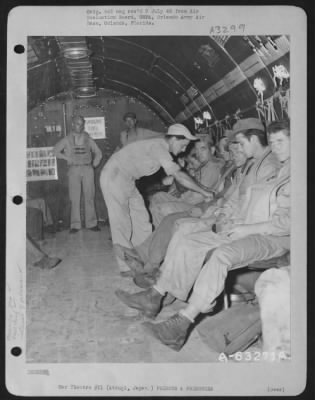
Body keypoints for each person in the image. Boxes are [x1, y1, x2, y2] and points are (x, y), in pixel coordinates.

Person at [115, 120, 290, 351]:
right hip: (245, 226)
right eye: (273, 141)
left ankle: (182, 322)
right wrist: (226, 214)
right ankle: (156, 295)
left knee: (219, 254)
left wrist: (242, 226)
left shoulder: (276, 169)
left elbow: (283, 219)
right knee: (188, 240)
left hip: (268, 235)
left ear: (252, 139)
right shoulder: (259, 166)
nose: (275, 147)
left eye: (281, 142)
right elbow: (240, 198)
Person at [119, 140, 247, 287]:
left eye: (236, 151)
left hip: (211, 210)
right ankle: (143, 257)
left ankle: (149, 264)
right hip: (207, 206)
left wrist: (203, 205)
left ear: (212, 150)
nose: (231, 155)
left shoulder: (218, 168)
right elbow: (218, 195)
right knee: (159, 201)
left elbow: (218, 197)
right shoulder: (229, 169)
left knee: (169, 217)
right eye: (230, 151)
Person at [100, 123, 213, 275]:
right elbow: (178, 175)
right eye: (183, 145)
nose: (184, 149)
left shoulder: (161, 146)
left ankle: (143, 257)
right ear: (173, 139)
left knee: (141, 217)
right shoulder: (159, 147)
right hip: (114, 176)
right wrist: (204, 192)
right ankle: (126, 267)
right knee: (120, 221)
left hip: (128, 179)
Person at [149, 138, 225, 227]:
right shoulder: (203, 165)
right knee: (157, 197)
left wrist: (179, 200)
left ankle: (162, 235)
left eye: (203, 149)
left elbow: (199, 197)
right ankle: (159, 230)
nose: (198, 153)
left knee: (158, 209)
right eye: (196, 149)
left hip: (195, 205)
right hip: (187, 200)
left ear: (212, 150)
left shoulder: (212, 167)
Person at [53, 116, 102, 233]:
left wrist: (94, 165)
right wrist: (67, 157)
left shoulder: (88, 139)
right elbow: (55, 150)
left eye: (82, 124)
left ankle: (91, 223)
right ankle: (75, 225)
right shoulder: (66, 139)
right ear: (73, 125)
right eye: (77, 124)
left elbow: (98, 153)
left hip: (87, 169)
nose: (80, 126)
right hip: (73, 170)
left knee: (89, 196)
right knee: (74, 198)